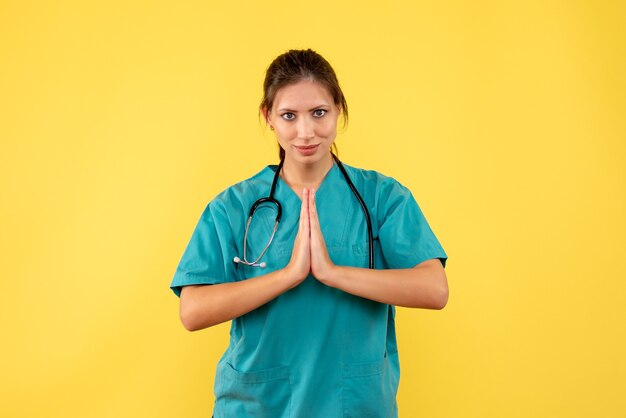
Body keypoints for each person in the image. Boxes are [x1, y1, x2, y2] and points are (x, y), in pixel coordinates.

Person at [170, 49, 449, 418]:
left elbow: (434, 288)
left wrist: (333, 273)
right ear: (268, 117)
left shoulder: (382, 197)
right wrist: (288, 275)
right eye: (289, 115)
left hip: (353, 404)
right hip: (259, 405)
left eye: (319, 112)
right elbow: (192, 310)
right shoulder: (233, 207)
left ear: (338, 109)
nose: (306, 132)